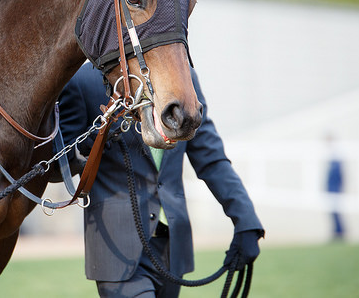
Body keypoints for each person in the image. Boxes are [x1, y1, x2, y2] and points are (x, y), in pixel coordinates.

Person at [58, 63, 264, 297]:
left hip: (172, 247)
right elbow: (60, 164)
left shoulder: (184, 76)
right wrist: (98, 136)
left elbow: (211, 158)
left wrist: (246, 220)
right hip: (118, 250)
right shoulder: (81, 80)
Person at [325, 132, 345, 241]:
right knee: (333, 211)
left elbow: (338, 174)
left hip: (335, 187)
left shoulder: (337, 153)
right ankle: (337, 231)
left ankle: (340, 232)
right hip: (331, 187)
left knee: (336, 210)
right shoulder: (331, 153)